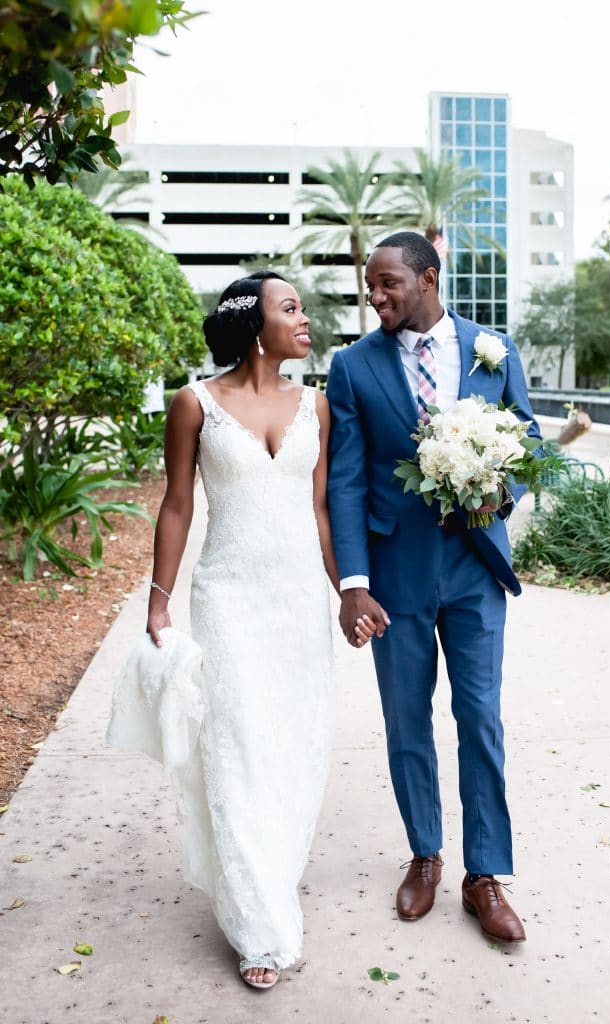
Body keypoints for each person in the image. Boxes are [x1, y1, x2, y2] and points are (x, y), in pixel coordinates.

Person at [117, 271, 380, 990]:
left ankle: (271, 879)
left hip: (296, 602)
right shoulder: (194, 402)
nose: (304, 318)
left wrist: (347, 592)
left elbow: (323, 512)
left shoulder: (318, 407)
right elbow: (176, 506)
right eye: (289, 307)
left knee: (297, 747)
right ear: (252, 324)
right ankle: (258, 924)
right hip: (228, 599)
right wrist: (158, 602)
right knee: (237, 746)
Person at [325, 232, 542, 943]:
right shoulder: (352, 368)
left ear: (427, 278)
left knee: (480, 717)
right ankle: (425, 854)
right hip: (396, 574)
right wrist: (353, 584)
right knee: (406, 721)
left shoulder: (494, 349)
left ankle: (486, 875)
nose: (375, 296)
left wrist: (494, 488)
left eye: (388, 283)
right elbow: (347, 480)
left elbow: (528, 442)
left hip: (476, 566)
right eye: (369, 286)